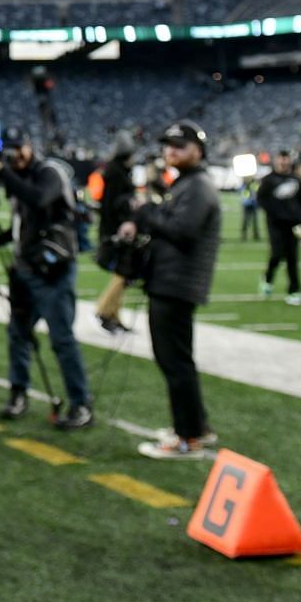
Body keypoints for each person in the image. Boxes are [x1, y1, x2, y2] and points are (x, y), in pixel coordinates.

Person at [122, 121, 221, 460]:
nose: (170, 151)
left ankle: (187, 437)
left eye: (179, 146)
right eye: (168, 145)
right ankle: (196, 427)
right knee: (178, 361)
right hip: (171, 282)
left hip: (176, 284)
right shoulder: (188, 183)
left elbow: (182, 231)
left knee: (174, 361)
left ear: (198, 150)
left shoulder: (197, 186)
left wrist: (148, 212)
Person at [0, 134, 94, 431]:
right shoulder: (17, 177)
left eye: (18, 149)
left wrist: (2, 173)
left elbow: (39, 199)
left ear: (30, 146)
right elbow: (25, 220)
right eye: (9, 153)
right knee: (18, 334)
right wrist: (3, 236)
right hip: (23, 269)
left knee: (61, 338)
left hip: (52, 271)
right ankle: (18, 393)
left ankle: (81, 403)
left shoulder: (50, 172)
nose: (15, 157)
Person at [258, 150, 301, 305]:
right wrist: (274, 213)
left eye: (286, 160)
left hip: (294, 224)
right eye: (281, 160)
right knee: (276, 254)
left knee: (293, 257)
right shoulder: (268, 180)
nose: (283, 163)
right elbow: (261, 200)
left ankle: (294, 290)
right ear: (276, 161)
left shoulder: (297, 180)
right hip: (275, 223)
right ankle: (268, 277)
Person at [92, 130, 139, 332]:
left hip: (116, 228)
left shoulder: (114, 170)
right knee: (123, 273)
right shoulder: (117, 173)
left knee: (123, 274)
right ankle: (104, 310)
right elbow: (113, 205)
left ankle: (114, 314)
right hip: (118, 230)